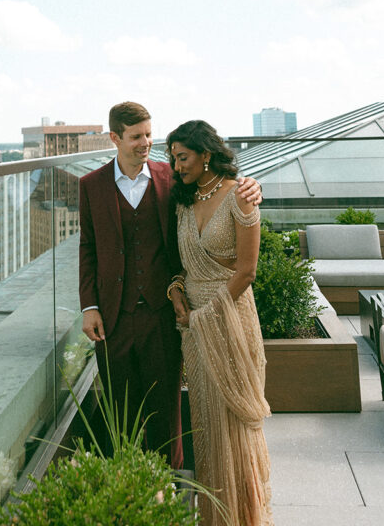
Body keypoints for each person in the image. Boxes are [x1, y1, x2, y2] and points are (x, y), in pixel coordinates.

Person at [79, 101, 262, 469]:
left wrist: (252, 186)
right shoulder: (91, 186)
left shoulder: (173, 178)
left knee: (167, 414)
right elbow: (88, 247)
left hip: (164, 316)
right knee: (121, 413)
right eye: (136, 137)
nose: (145, 142)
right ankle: (128, 492)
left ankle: (171, 491)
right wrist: (89, 306)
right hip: (112, 318)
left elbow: (219, 192)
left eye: (149, 134)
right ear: (115, 137)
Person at [168, 119, 273, 526]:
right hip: (193, 330)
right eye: (173, 159)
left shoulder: (240, 197)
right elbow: (181, 265)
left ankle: (244, 519)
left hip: (228, 323)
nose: (177, 166)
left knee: (233, 425)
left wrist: (204, 317)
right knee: (207, 426)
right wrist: (176, 291)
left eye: (183, 157)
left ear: (206, 154)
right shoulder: (182, 201)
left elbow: (246, 272)